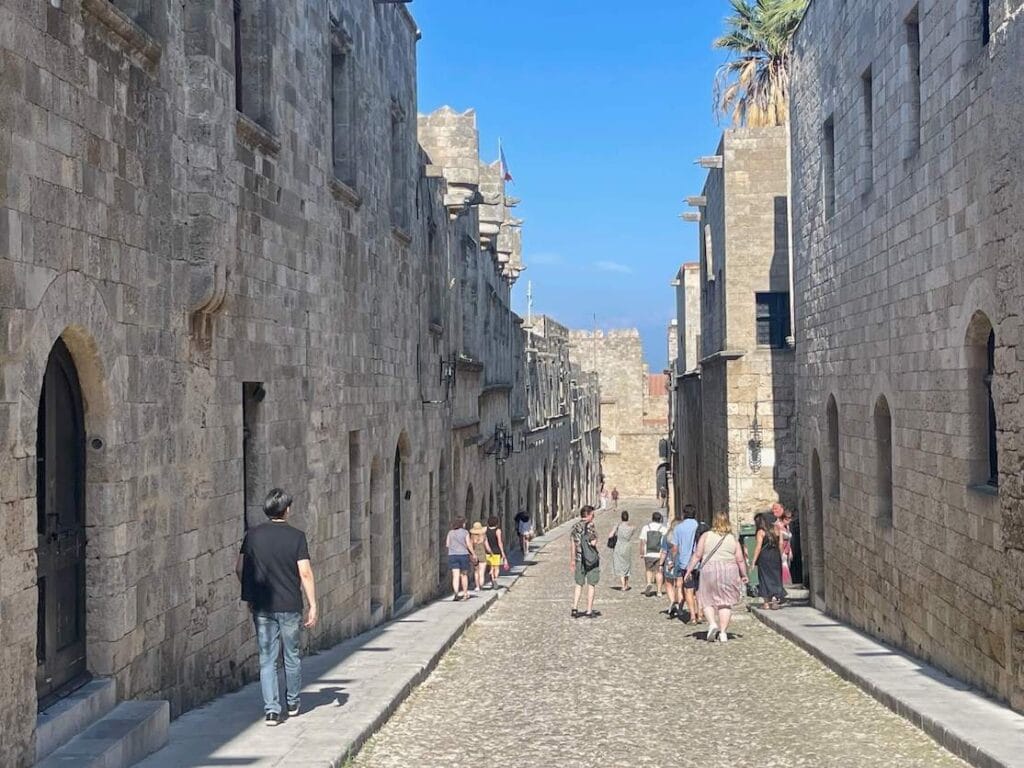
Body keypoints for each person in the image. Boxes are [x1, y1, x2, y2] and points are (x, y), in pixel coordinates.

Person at [236, 488, 317, 726]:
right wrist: (313, 604)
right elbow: (305, 572)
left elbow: (239, 568)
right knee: (291, 656)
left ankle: (271, 710)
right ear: (286, 510)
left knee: (267, 659)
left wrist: (250, 592)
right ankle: (292, 702)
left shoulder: (252, 536)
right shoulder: (297, 537)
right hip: (290, 604)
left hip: (262, 604)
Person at [684, 511, 748, 643]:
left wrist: (688, 570)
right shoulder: (732, 539)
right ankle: (723, 632)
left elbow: (697, 555)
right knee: (725, 602)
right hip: (729, 570)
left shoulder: (706, 536)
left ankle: (712, 623)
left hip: (709, 570)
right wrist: (744, 574)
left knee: (707, 600)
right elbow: (740, 560)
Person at [667, 506, 699, 622]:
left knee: (688, 590)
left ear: (684, 514)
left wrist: (671, 561)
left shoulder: (678, 528)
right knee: (698, 590)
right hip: (699, 562)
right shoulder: (698, 526)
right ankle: (700, 613)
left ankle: (692, 616)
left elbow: (675, 548)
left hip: (685, 563)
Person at [570, 505, 600, 618]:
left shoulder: (575, 527)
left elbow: (572, 544)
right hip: (591, 560)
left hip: (579, 559)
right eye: (592, 514)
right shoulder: (591, 526)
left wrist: (572, 560)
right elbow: (593, 543)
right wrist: (596, 538)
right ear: (588, 515)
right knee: (591, 584)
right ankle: (588, 610)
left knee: (579, 584)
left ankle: (575, 608)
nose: (594, 516)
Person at [751, 511, 785, 609]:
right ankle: (775, 598)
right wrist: (781, 555)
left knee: (764, 578)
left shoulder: (761, 532)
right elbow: (781, 543)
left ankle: (766, 603)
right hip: (775, 556)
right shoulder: (777, 529)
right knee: (776, 577)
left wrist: (753, 561)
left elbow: (758, 547)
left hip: (764, 557)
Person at [638, 511, 667, 596]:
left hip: (649, 553)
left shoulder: (646, 528)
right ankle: (659, 591)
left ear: (652, 518)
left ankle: (649, 583)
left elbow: (642, 541)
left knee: (648, 569)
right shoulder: (663, 529)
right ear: (660, 519)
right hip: (660, 553)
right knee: (659, 572)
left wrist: (641, 552)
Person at [445, 517, 474, 601]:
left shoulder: (450, 533)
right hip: (463, 555)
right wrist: (473, 553)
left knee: (455, 575)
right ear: (461, 524)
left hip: (453, 555)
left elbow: (447, 544)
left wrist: (454, 547)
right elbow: (469, 544)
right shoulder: (465, 532)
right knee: (464, 575)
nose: (465, 524)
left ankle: (456, 594)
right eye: (464, 523)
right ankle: (465, 593)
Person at [608, 509, 636, 591]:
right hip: (627, 546)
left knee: (620, 565)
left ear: (621, 518)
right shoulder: (631, 528)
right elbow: (634, 527)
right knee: (627, 565)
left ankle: (623, 585)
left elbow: (610, 535)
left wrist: (615, 528)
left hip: (619, 546)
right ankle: (627, 584)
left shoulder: (618, 526)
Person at [484, 516, 508, 589]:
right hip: (496, 551)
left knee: (491, 567)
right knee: (496, 567)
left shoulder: (485, 530)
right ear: (497, 523)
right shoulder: (498, 531)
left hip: (488, 551)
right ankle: (495, 579)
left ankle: (492, 578)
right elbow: (499, 542)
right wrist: (503, 553)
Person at [469, 521, 488, 591]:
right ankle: (481, 585)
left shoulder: (472, 537)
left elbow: (470, 546)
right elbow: (487, 546)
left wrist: (472, 554)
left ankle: (477, 586)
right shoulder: (484, 536)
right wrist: (491, 552)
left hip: (475, 556)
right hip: (482, 554)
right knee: (482, 572)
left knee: (476, 571)